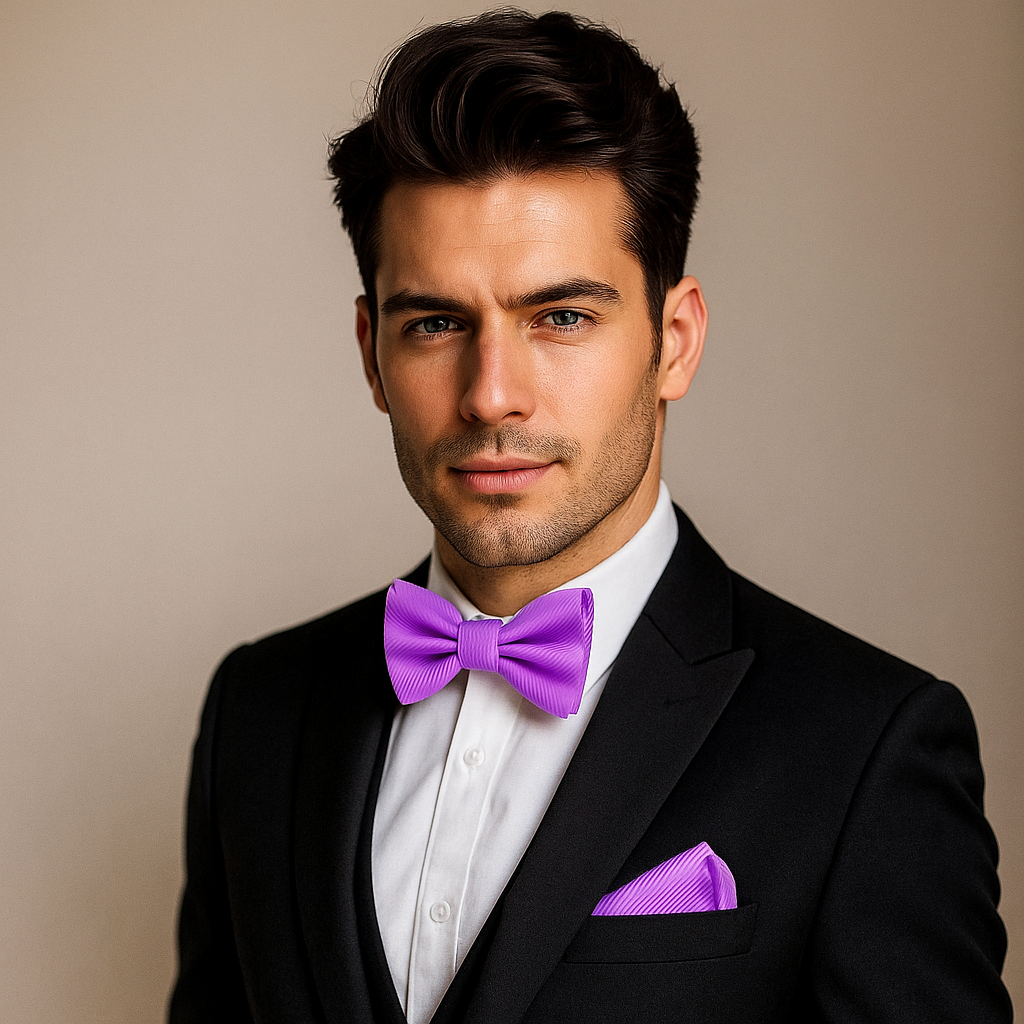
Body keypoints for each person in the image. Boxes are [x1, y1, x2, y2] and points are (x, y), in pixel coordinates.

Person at [169, 10, 1011, 1023]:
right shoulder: (254, 715)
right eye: (435, 323)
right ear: (370, 354)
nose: (490, 394)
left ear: (675, 340)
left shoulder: (864, 747)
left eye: (560, 317)